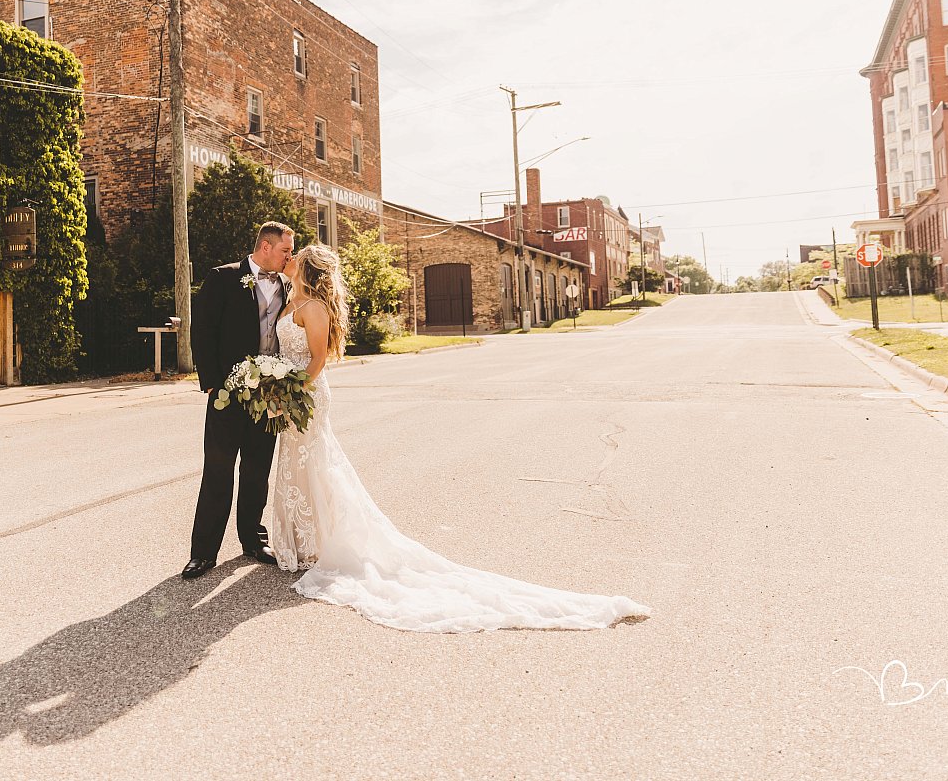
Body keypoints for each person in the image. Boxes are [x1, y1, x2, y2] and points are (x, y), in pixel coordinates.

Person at [267, 243, 652, 632]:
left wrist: (291, 391)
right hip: (292, 394)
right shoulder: (289, 298)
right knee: (297, 462)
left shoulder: (312, 307)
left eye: (296, 254)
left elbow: (317, 358)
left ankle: (320, 542)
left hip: (307, 394)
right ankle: (303, 542)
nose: (290, 256)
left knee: (314, 461)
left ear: (308, 267)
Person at [182, 221, 295, 580]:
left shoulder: (289, 284)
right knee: (218, 470)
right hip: (228, 392)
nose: (289, 256)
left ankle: (253, 540)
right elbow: (202, 331)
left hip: (271, 391)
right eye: (285, 251)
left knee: (258, 469)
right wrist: (212, 384)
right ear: (265, 247)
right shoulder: (223, 277)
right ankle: (203, 553)